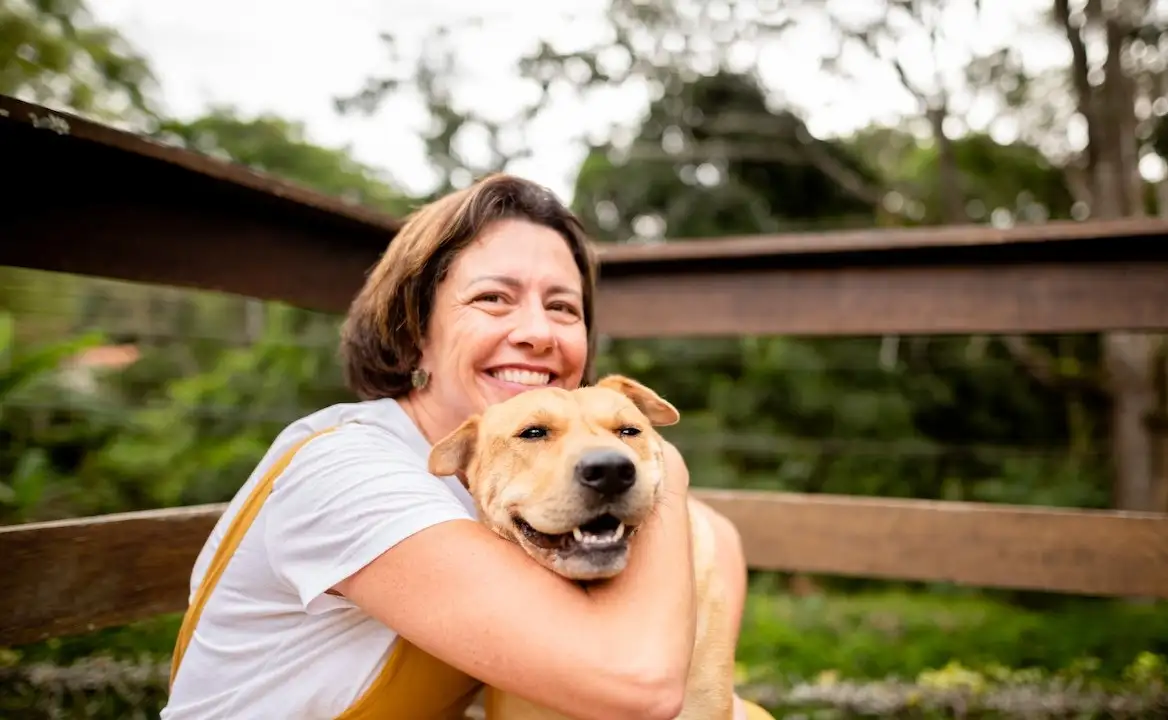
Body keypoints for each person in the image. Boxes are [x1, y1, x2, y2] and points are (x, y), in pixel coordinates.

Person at [161, 173, 774, 720]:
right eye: (493, 298)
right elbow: (637, 690)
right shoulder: (348, 471)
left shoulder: (516, 485)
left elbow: (714, 537)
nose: (536, 332)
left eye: (562, 307)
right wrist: (664, 460)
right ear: (415, 331)